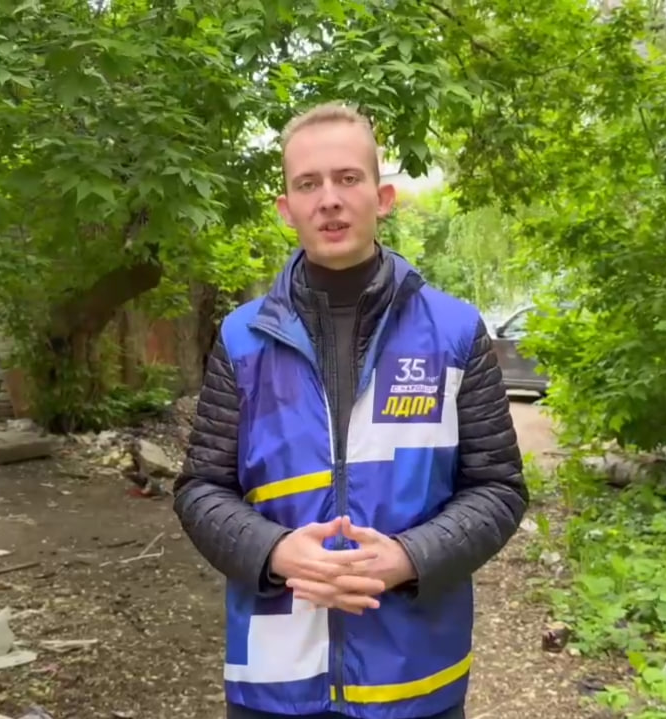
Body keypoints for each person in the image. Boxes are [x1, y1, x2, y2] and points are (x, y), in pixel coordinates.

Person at [173, 101, 529, 719]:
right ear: (286, 209)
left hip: (414, 677)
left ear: (383, 197)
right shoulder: (240, 338)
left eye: (347, 178)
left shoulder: (454, 332)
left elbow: (498, 488)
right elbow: (201, 488)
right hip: (274, 679)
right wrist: (273, 552)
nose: (329, 200)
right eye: (308, 184)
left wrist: (410, 558)